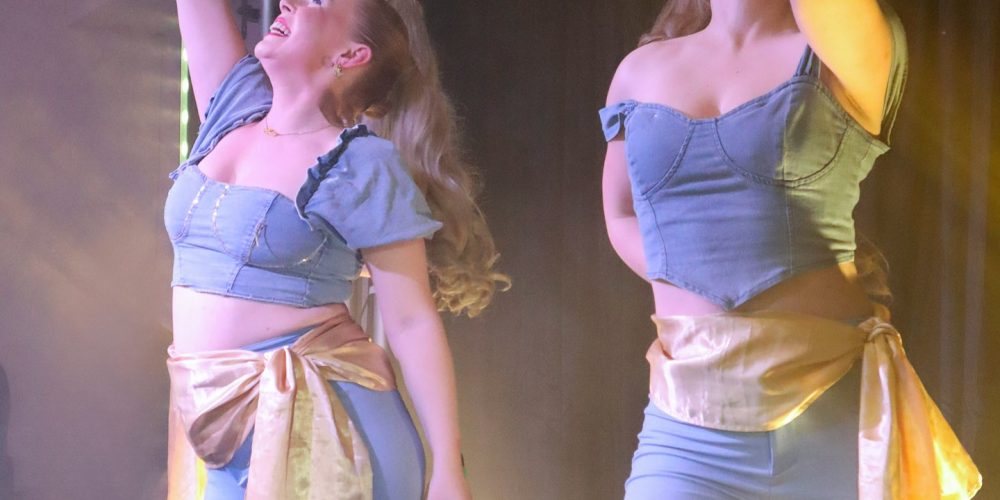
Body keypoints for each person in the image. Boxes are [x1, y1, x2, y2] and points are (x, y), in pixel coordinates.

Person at [599, 0, 980, 498]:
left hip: (834, 416)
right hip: (689, 424)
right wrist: (700, 270)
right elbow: (621, 213)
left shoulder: (847, 46)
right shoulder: (640, 71)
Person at [165, 0, 506, 498]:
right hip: (225, 437)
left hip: (327, 431)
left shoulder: (359, 163)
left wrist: (449, 469)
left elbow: (411, 321)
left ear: (350, 55)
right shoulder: (232, 108)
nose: (289, 2)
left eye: (319, 2)